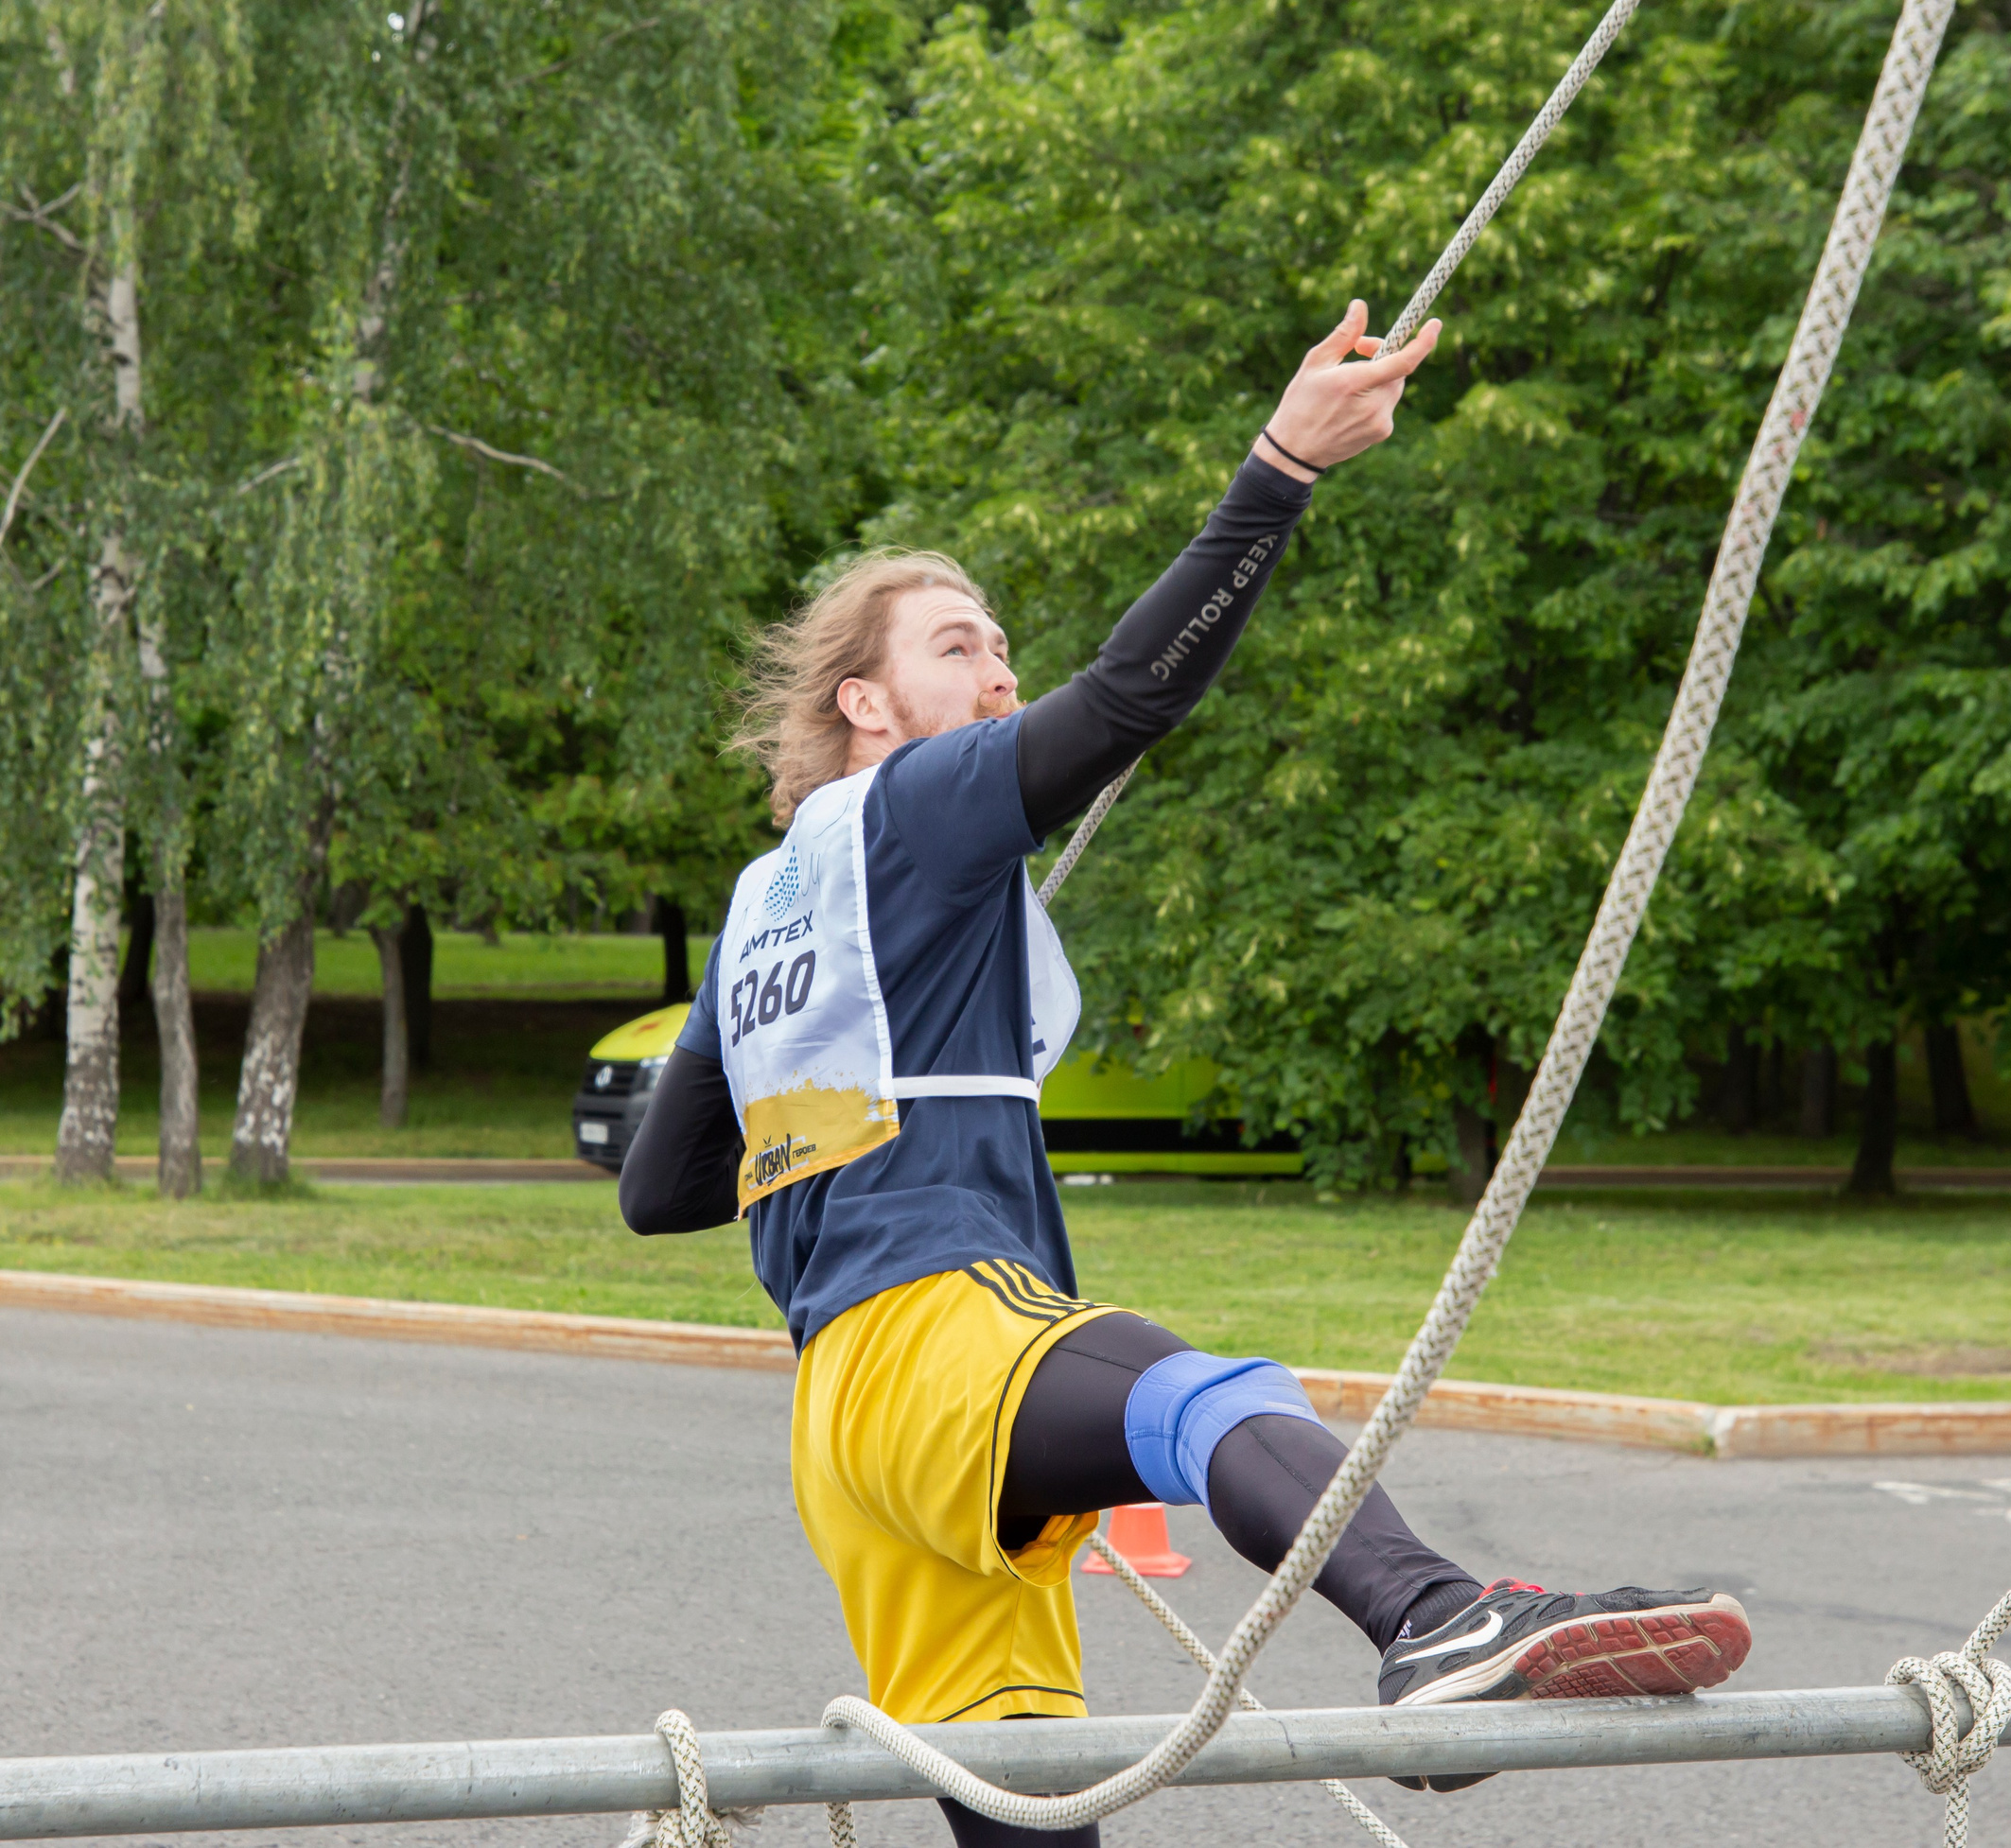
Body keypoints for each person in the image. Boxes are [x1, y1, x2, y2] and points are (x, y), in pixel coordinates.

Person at [620, 301, 1750, 1846]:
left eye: (1001, 640)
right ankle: (1433, 1615)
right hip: (939, 1328)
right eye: (960, 645)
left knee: (1026, 1800)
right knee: (1208, 1399)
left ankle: (1426, 1620)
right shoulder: (918, 806)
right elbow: (1132, 697)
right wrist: (1281, 466)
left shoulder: (767, 908)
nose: (999, 666)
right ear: (863, 706)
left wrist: (833, 1136)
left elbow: (657, 1189)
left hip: (840, 1424)